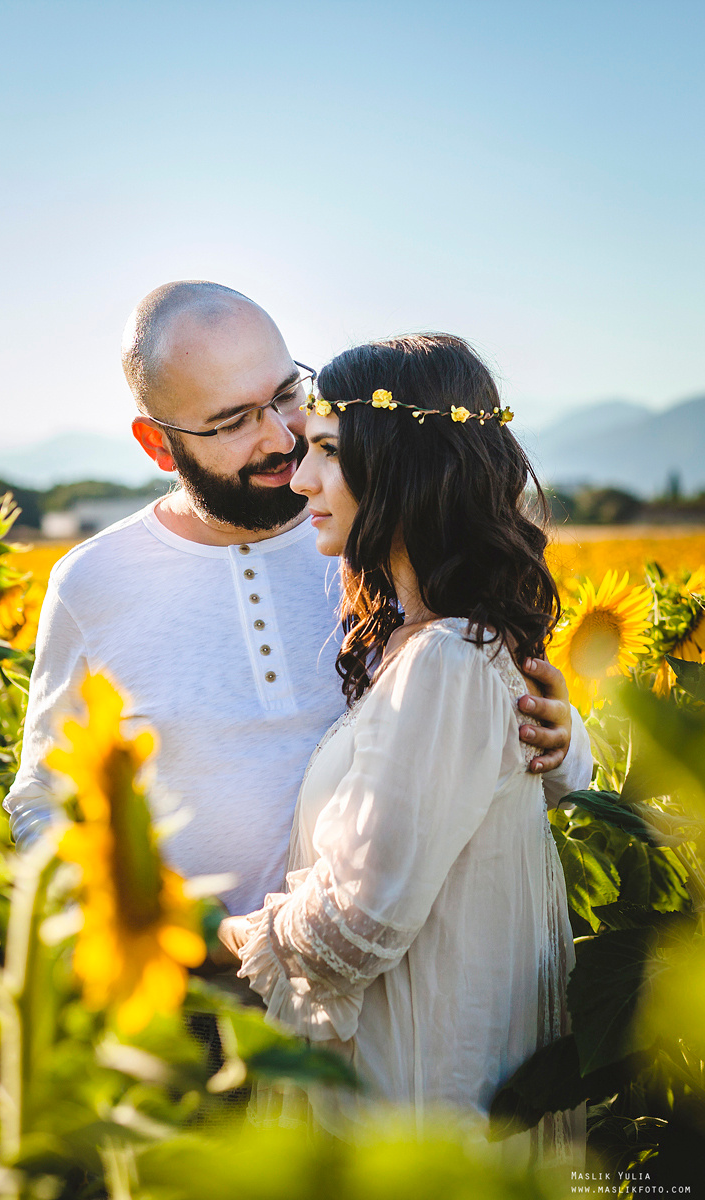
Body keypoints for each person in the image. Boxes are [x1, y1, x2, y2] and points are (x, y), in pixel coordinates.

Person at [4, 282, 589, 930]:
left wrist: (563, 743)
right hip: (192, 1009)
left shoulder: (374, 539)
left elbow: (496, 713)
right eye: (234, 421)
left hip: (383, 1003)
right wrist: (129, 922)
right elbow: (40, 797)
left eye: (287, 394)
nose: (283, 437)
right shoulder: (93, 583)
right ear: (158, 445)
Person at [216, 333, 588, 1156]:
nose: (301, 478)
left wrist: (236, 934)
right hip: (425, 1065)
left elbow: (361, 922)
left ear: (404, 465)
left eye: (326, 452)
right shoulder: (434, 648)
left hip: (418, 1089)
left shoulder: (446, 661)